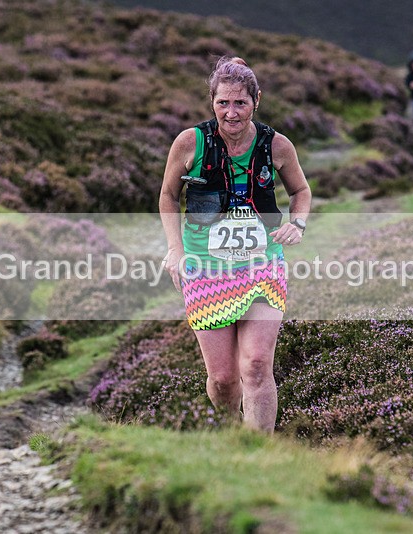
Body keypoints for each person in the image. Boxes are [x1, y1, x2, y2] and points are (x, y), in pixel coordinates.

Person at [158, 56, 312, 433]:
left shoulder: (276, 145)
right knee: (224, 379)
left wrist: (299, 224)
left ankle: (258, 451)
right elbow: (167, 196)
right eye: (222, 103)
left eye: (240, 103)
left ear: (255, 101)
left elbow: (301, 191)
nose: (231, 112)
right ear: (212, 103)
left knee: (257, 365)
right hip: (205, 269)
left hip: (263, 266)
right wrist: (176, 251)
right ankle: (228, 436)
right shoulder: (189, 142)